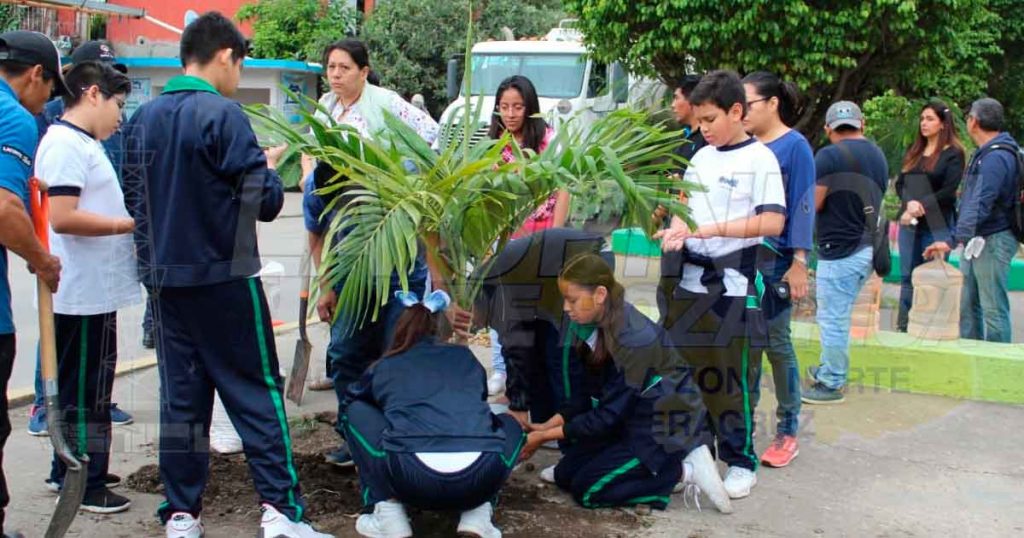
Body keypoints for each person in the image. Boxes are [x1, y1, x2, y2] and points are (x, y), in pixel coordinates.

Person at [122, 12, 331, 538]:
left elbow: (135, 200)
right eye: (240, 64)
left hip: (166, 283)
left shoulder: (142, 119)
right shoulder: (223, 115)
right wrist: (265, 167)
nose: (239, 75)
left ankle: (182, 514)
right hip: (225, 278)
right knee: (255, 393)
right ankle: (282, 512)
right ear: (224, 57)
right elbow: (262, 203)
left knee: (182, 401)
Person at [303, 38, 451, 468]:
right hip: (351, 261)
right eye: (330, 67)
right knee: (347, 353)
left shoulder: (388, 106)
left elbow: (432, 146)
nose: (335, 74)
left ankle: (399, 441)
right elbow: (316, 220)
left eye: (343, 67)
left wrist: (438, 273)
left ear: (364, 71)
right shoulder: (326, 113)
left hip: (397, 257)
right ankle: (356, 438)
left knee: (397, 351)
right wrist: (326, 283)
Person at [657, 70, 786, 500]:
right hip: (689, 282)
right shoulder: (701, 158)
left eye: (711, 119)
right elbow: (685, 208)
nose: (704, 128)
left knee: (730, 378)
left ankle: (741, 460)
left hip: (733, 284)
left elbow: (772, 220)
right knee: (685, 373)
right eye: (701, 120)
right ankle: (696, 454)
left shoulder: (760, 160)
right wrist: (677, 230)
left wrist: (710, 230)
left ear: (736, 111)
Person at [520, 254, 733, 514]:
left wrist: (542, 437)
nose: (566, 307)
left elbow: (607, 416)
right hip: (630, 414)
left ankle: (681, 471)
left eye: (572, 299)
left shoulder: (632, 339)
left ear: (599, 294)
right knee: (566, 475)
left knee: (588, 491)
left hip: (661, 425)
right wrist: (548, 425)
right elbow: (584, 395)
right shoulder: (594, 325)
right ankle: (651, 470)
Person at [34, 60, 137, 513]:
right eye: (117, 104)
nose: (119, 116)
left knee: (93, 385)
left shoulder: (81, 142)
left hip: (96, 290)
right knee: (84, 390)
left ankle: (80, 467)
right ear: (93, 94)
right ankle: (85, 482)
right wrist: (129, 224)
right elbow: (63, 217)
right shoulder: (63, 145)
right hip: (79, 293)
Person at [340, 290, 520, 538]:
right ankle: (478, 515)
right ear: (442, 330)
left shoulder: (385, 366)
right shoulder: (465, 357)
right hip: (480, 476)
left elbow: (353, 399)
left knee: (354, 411)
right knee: (510, 423)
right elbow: (478, 403)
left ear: (395, 329)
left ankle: (387, 512)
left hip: (411, 476)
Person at [0, 29, 67, 538]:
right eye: (50, 89)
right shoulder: (14, 118)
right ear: (34, 75)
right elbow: (4, 208)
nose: (48, 102)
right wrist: (42, 259)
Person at [740, 71, 816, 467]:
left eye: (749, 104)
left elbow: (803, 205)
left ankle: (788, 430)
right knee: (748, 348)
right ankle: (746, 427)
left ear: (772, 104)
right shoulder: (745, 147)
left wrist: (800, 262)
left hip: (779, 262)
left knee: (776, 344)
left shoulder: (795, 147)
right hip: (743, 260)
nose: (742, 112)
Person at [485, 74, 568, 396]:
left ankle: (537, 377)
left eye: (518, 106)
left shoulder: (548, 139)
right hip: (506, 237)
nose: (510, 113)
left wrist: (556, 238)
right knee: (502, 307)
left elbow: (563, 188)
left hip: (542, 234)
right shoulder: (495, 143)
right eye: (504, 106)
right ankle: (502, 369)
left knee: (540, 309)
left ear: (530, 108)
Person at [803, 101, 889, 404]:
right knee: (837, 316)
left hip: (839, 251)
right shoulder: (878, 155)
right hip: (868, 247)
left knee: (833, 319)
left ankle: (831, 382)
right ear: (861, 124)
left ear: (828, 129)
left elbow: (815, 203)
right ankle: (830, 367)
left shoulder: (828, 156)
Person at [924, 98, 1020, 343]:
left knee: (992, 308)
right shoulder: (987, 153)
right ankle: (973, 355)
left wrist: (953, 239)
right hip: (978, 239)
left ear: (973, 122)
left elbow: (980, 204)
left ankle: (996, 365)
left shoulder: (996, 158)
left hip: (994, 237)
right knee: (967, 304)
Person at [894, 100, 965, 332]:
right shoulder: (914, 151)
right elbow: (901, 184)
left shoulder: (953, 153)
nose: (924, 123)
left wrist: (921, 204)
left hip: (936, 222)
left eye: (930, 119)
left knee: (932, 277)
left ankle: (930, 328)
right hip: (910, 221)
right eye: (922, 118)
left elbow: (948, 191)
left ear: (943, 123)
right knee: (907, 276)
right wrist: (909, 203)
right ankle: (904, 327)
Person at [656, 75, 706, 326]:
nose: (673, 104)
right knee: (666, 298)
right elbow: (671, 189)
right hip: (672, 234)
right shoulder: (685, 141)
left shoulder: (706, 146)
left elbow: (687, 191)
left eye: (676, 98)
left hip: (692, 240)